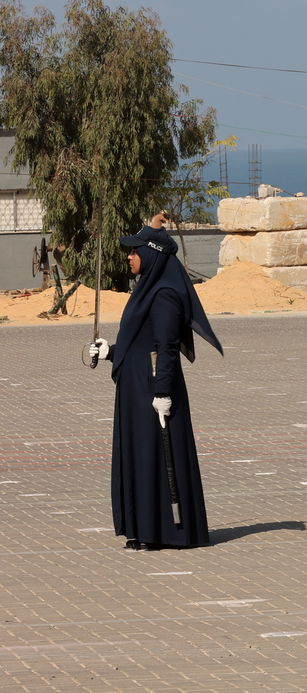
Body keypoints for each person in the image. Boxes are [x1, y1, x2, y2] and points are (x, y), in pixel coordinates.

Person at [89, 223, 222, 550]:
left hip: (153, 390)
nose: (130, 257)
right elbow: (138, 344)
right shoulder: (145, 289)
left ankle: (164, 531)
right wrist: (110, 353)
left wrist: (162, 392)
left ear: (151, 254)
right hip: (136, 389)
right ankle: (142, 529)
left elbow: (165, 347)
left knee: (155, 457)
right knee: (139, 456)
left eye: (135, 251)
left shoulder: (164, 295)